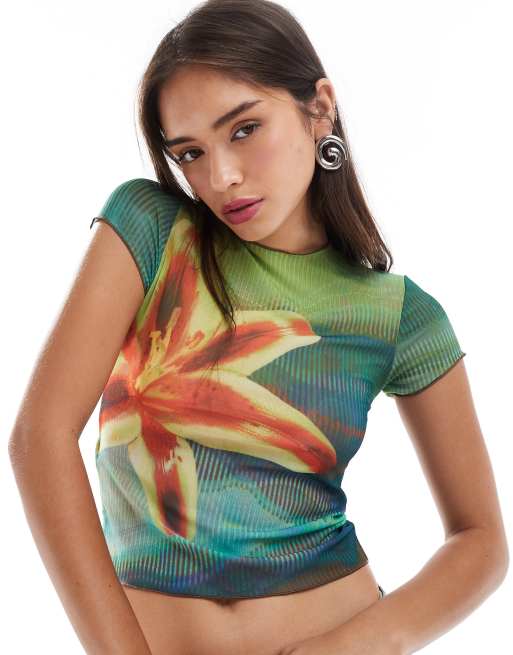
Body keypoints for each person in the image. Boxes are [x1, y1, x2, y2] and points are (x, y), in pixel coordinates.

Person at [8, 1, 508, 655]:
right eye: (191, 152)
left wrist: (353, 645)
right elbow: (39, 439)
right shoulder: (152, 230)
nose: (222, 176)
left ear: (318, 109)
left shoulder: (397, 315)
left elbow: (480, 541)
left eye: (244, 129)